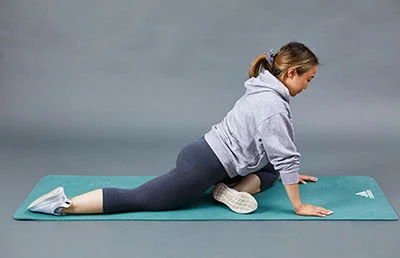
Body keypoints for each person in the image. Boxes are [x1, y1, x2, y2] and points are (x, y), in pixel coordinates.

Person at [28, 41, 333, 218]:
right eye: (309, 78)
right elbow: (284, 151)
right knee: (140, 199)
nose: (308, 85)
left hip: (208, 152)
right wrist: (299, 206)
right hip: (202, 166)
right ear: (292, 72)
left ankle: (229, 191)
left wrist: (288, 171)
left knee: (272, 170)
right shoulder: (274, 105)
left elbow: (277, 151)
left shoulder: (262, 86)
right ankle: (62, 204)